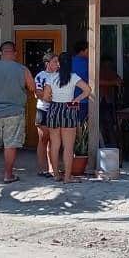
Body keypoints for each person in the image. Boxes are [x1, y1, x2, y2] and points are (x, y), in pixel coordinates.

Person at [0, 41, 35, 184]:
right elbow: (32, 87)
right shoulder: (22, 69)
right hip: (14, 113)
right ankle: (8, 175)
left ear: (1, 53)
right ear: (15, 53)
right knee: (10, 145)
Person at [42, 52, 91, 183]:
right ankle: (67, 177)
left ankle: (56, 175)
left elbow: (46, 97)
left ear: (59, 63)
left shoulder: (51, 78)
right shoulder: (73, 77)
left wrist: (53, 98)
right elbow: (87, 90)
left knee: (54, 145)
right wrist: (77, 99)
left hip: (54, 109)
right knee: (68, 147)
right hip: (69, 109)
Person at [33, 53, 57, 178]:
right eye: (54, 62)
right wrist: (53, 99)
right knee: (43, 139)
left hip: (57, 111)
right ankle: (42, 168)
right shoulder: (40, 76)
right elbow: (38, 93)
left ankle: (52, 168)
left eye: (58, 62)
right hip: (43, 109)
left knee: (54, 140)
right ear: (47, 63)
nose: (57, 64)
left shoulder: (59, 75)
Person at [99, 55, 123, 148]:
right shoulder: (98, 71)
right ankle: (106, 145)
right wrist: (113, 82)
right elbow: (97, 81)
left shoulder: (111, 72)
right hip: (102, 100)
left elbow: (120, 81)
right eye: (107, 63)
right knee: (104, 123)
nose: (108, 65)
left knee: (109, 123)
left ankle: (111, 145)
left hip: (108, 100)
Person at [70, 41, 90, 121]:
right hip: (84, 100)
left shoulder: (69, 61)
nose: (90, 53)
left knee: (72, 126)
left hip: (71, 100)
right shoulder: (89, 63)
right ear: (82, 51)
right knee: (81, 127)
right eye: (88, 51)